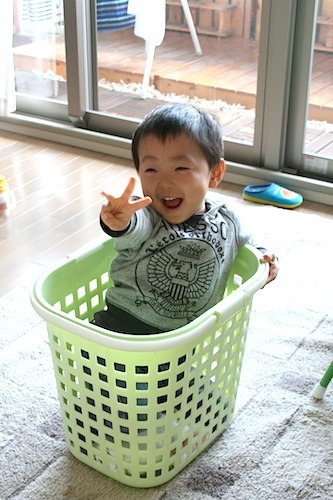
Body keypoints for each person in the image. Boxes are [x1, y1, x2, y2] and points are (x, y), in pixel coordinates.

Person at [92, 103, 278, 334]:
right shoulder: (147, 214)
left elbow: (251, 247)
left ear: (215, 173)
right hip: (120, 325)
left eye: (180, 168)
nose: (165, 182)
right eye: (151, 170)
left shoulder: (228, 220)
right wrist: (119, 221)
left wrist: (266, 259)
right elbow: (132, 226)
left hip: (186, 337)